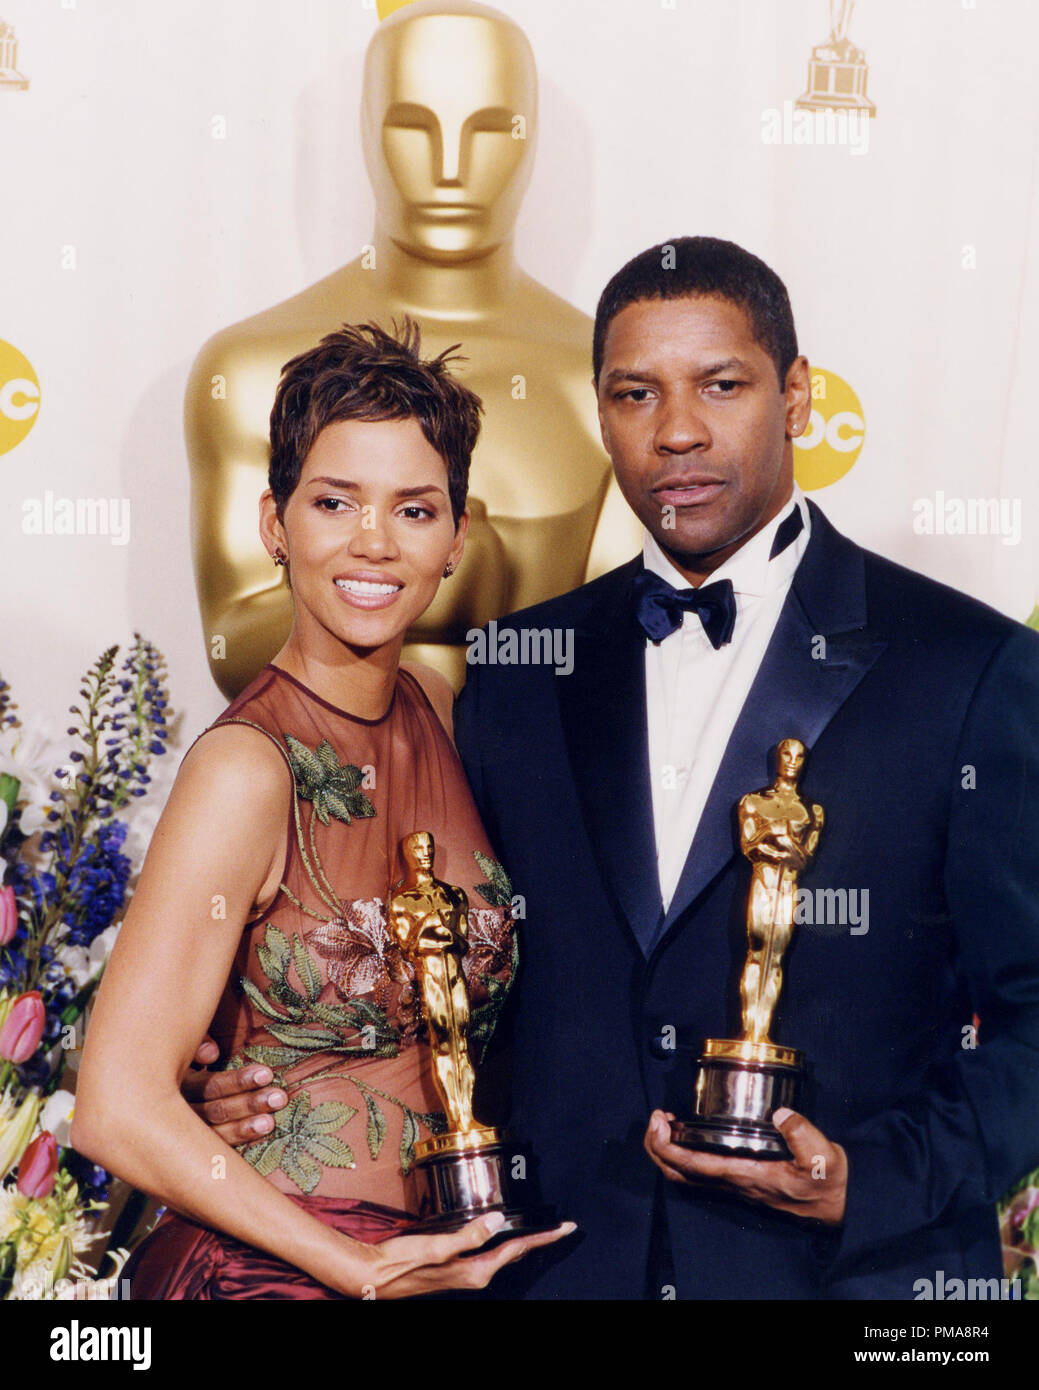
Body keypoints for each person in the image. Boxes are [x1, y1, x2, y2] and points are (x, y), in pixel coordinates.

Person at [188, 237, 1039, 1300]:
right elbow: (422, 952)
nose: (676, 429)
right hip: (559, 1275)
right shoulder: (512, 670)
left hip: (851, 1284)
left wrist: (873, 1181)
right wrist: (242, 1073)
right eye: (635, 393)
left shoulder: (965, 668)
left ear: (797, 397)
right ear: (600, 415)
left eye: (720, 385)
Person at [71, 320, 572, 1300]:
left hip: (432, 1265)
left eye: (414, 509)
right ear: (274, 522)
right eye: (334, 501)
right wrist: (355, 1269)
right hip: (270, 1276)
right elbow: (116, 1106)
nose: (373, 542)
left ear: (457, 538)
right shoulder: (247, 770)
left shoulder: (436, 708)